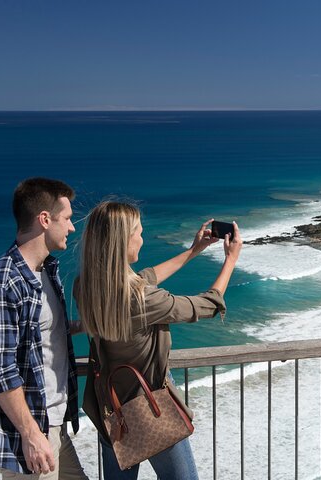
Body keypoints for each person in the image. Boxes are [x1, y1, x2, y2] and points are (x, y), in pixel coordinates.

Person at [75, 201, 242, 480]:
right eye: (138, 232)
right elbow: (208, 305)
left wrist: (193, 251)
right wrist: (231, 260)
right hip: (150, 408)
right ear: (121, 242)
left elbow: (143, 279)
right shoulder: (144, 300)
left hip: (111, 410)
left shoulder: (88, 287)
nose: (142, 238)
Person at [0, 177, 88, 479]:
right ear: (45, 219)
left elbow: (42, 334)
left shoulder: (47, 271)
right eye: (68, 219)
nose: (72, 228)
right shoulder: (0, 283)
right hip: (32, 433)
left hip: (55, 424)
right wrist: (31, 434)